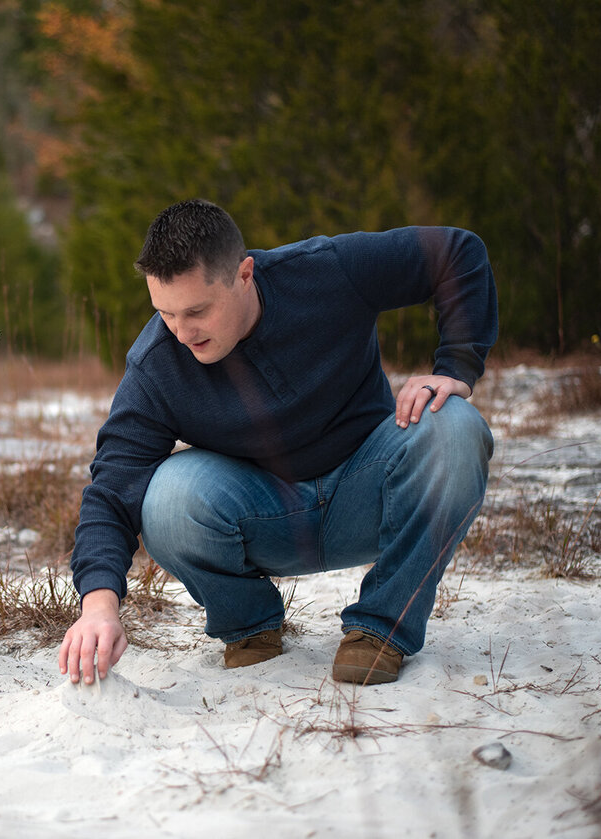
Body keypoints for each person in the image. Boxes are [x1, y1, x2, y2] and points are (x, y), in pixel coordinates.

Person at [58, 199, 496, 687]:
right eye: (165, 313)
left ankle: (382, 628)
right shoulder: (158, 364)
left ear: (245, 274)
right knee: (165, 496)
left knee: (454, 424)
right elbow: (113, 488)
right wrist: (98, 605)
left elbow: (458, 251)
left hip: (372, 489)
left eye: (197, 311)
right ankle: (250, 627)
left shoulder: (323, 270)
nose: (182, 333)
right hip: (266, 518)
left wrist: (454, 367)